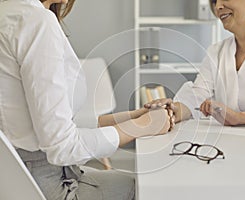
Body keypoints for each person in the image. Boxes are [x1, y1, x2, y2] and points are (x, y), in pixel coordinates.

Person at [0, 0, 174, 199]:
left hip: (19, 178)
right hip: (48, 185)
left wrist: (133, 117)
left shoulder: (8, 12)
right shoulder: (36, 20)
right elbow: (62, 147)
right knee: (147, 189)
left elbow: (42, 123)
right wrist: (141, 127)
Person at [145, 0, 245, 128]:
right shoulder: (216, 52)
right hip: (227, 150)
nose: (218, 6)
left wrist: (240, 118)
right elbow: (198, 95)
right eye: (214, 0)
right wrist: (173, 110)